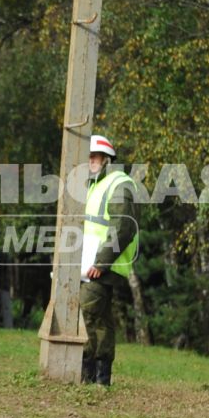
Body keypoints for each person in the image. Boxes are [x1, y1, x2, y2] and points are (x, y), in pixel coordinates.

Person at [79, 134, 141, 387]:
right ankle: (99, 379)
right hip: (91, 264)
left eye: (93, 156)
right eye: (88, 157)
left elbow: (123, 227)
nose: (90, 161)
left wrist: (101, 262)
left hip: (103, 265)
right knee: (98, 319)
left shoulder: (119, 184)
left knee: (87, 313)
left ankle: (90, 375)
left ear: (106, 159)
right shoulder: (95, 184)